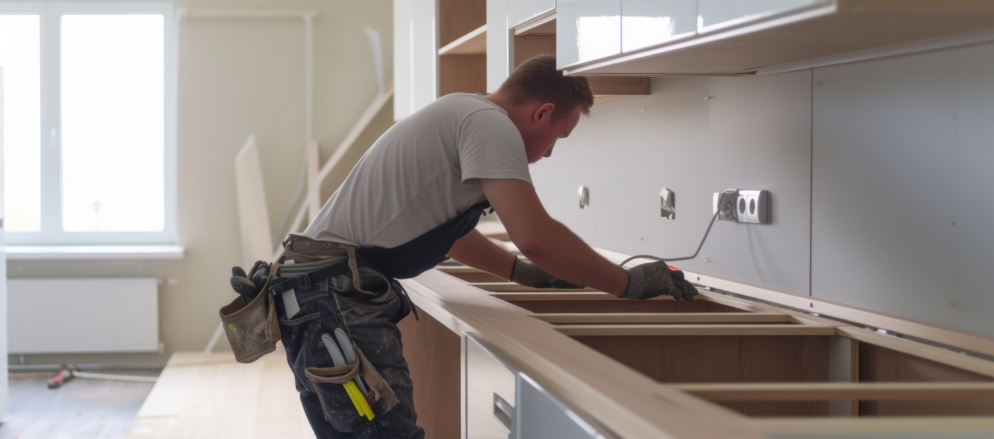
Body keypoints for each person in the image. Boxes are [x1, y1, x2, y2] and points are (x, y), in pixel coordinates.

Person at [236, 55, 697, 438]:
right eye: (559, 135)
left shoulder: (464, 112)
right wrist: (627, 283)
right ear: (542, 113)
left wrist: (522, 273)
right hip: (332, 303)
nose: (551, 152)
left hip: (315, 299)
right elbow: (536, 235)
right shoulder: (489, 125)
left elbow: (452, 236)